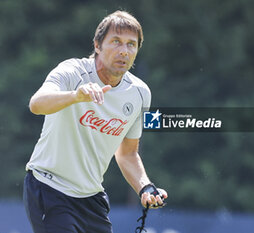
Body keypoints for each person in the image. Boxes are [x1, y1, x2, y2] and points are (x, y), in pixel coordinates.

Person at [23, 10, 167, 233]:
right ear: (97, 45)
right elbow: (37, 103)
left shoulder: (140, 93)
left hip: (91, 198)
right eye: (116, 42)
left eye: (131, 44)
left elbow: (127, 153)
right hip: (49, 188)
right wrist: (76, 96)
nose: (124, 51)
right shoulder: (72, 71)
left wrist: (145, 187)